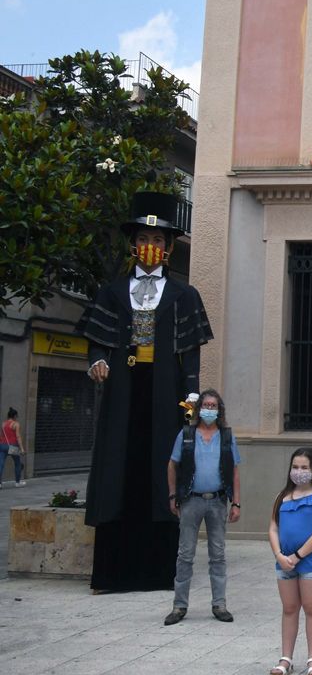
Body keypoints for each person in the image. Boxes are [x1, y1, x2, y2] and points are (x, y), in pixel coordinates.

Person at [79, 191, 213, 593]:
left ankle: (158, 573)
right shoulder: (113, 291)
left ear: (169, 248)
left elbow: (190, 356)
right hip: (122, 392)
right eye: (144, 240)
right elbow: (97, 341)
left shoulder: (184, 296)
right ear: (132, 244)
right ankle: (112, 573)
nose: (150, 247)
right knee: (116, 469)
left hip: (163, 395)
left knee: (164, 474)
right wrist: (96, 361)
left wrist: (190, 398)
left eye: (158, 241)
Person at [164, 389, 242, 625]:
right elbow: (172, 465)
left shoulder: (227, 436)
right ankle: (179, 606)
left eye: (213, 405)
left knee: (217, 555)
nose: (209, 409)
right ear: (199, 409)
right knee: (185, 554)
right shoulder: (186, 434)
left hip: (218, 501)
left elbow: (235, 470)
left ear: (219, 410)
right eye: (206, 405)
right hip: (191, 500)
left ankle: (219, 604)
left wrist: (236, 502)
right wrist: (172, 495)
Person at [268, 448, 312, 675]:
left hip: (310, 561)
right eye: (295, 467)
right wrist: (279, 554)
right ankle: (286, 657)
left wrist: (297, 556)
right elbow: (273, 528)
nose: (299, 472)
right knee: (289, 608)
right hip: (283, 562)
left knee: (311, 607)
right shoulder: (281, 497)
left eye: (304, 467)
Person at [0, 408, 25, 487]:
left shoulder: (3, 424)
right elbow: (18, 436)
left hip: (3, 446)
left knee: (1, 464)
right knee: (17, 463)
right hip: (12, 446)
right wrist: (22, 449)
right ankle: (17, 482)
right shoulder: (16, 424)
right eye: (16, 416)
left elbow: (2, 436)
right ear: (14, 416)